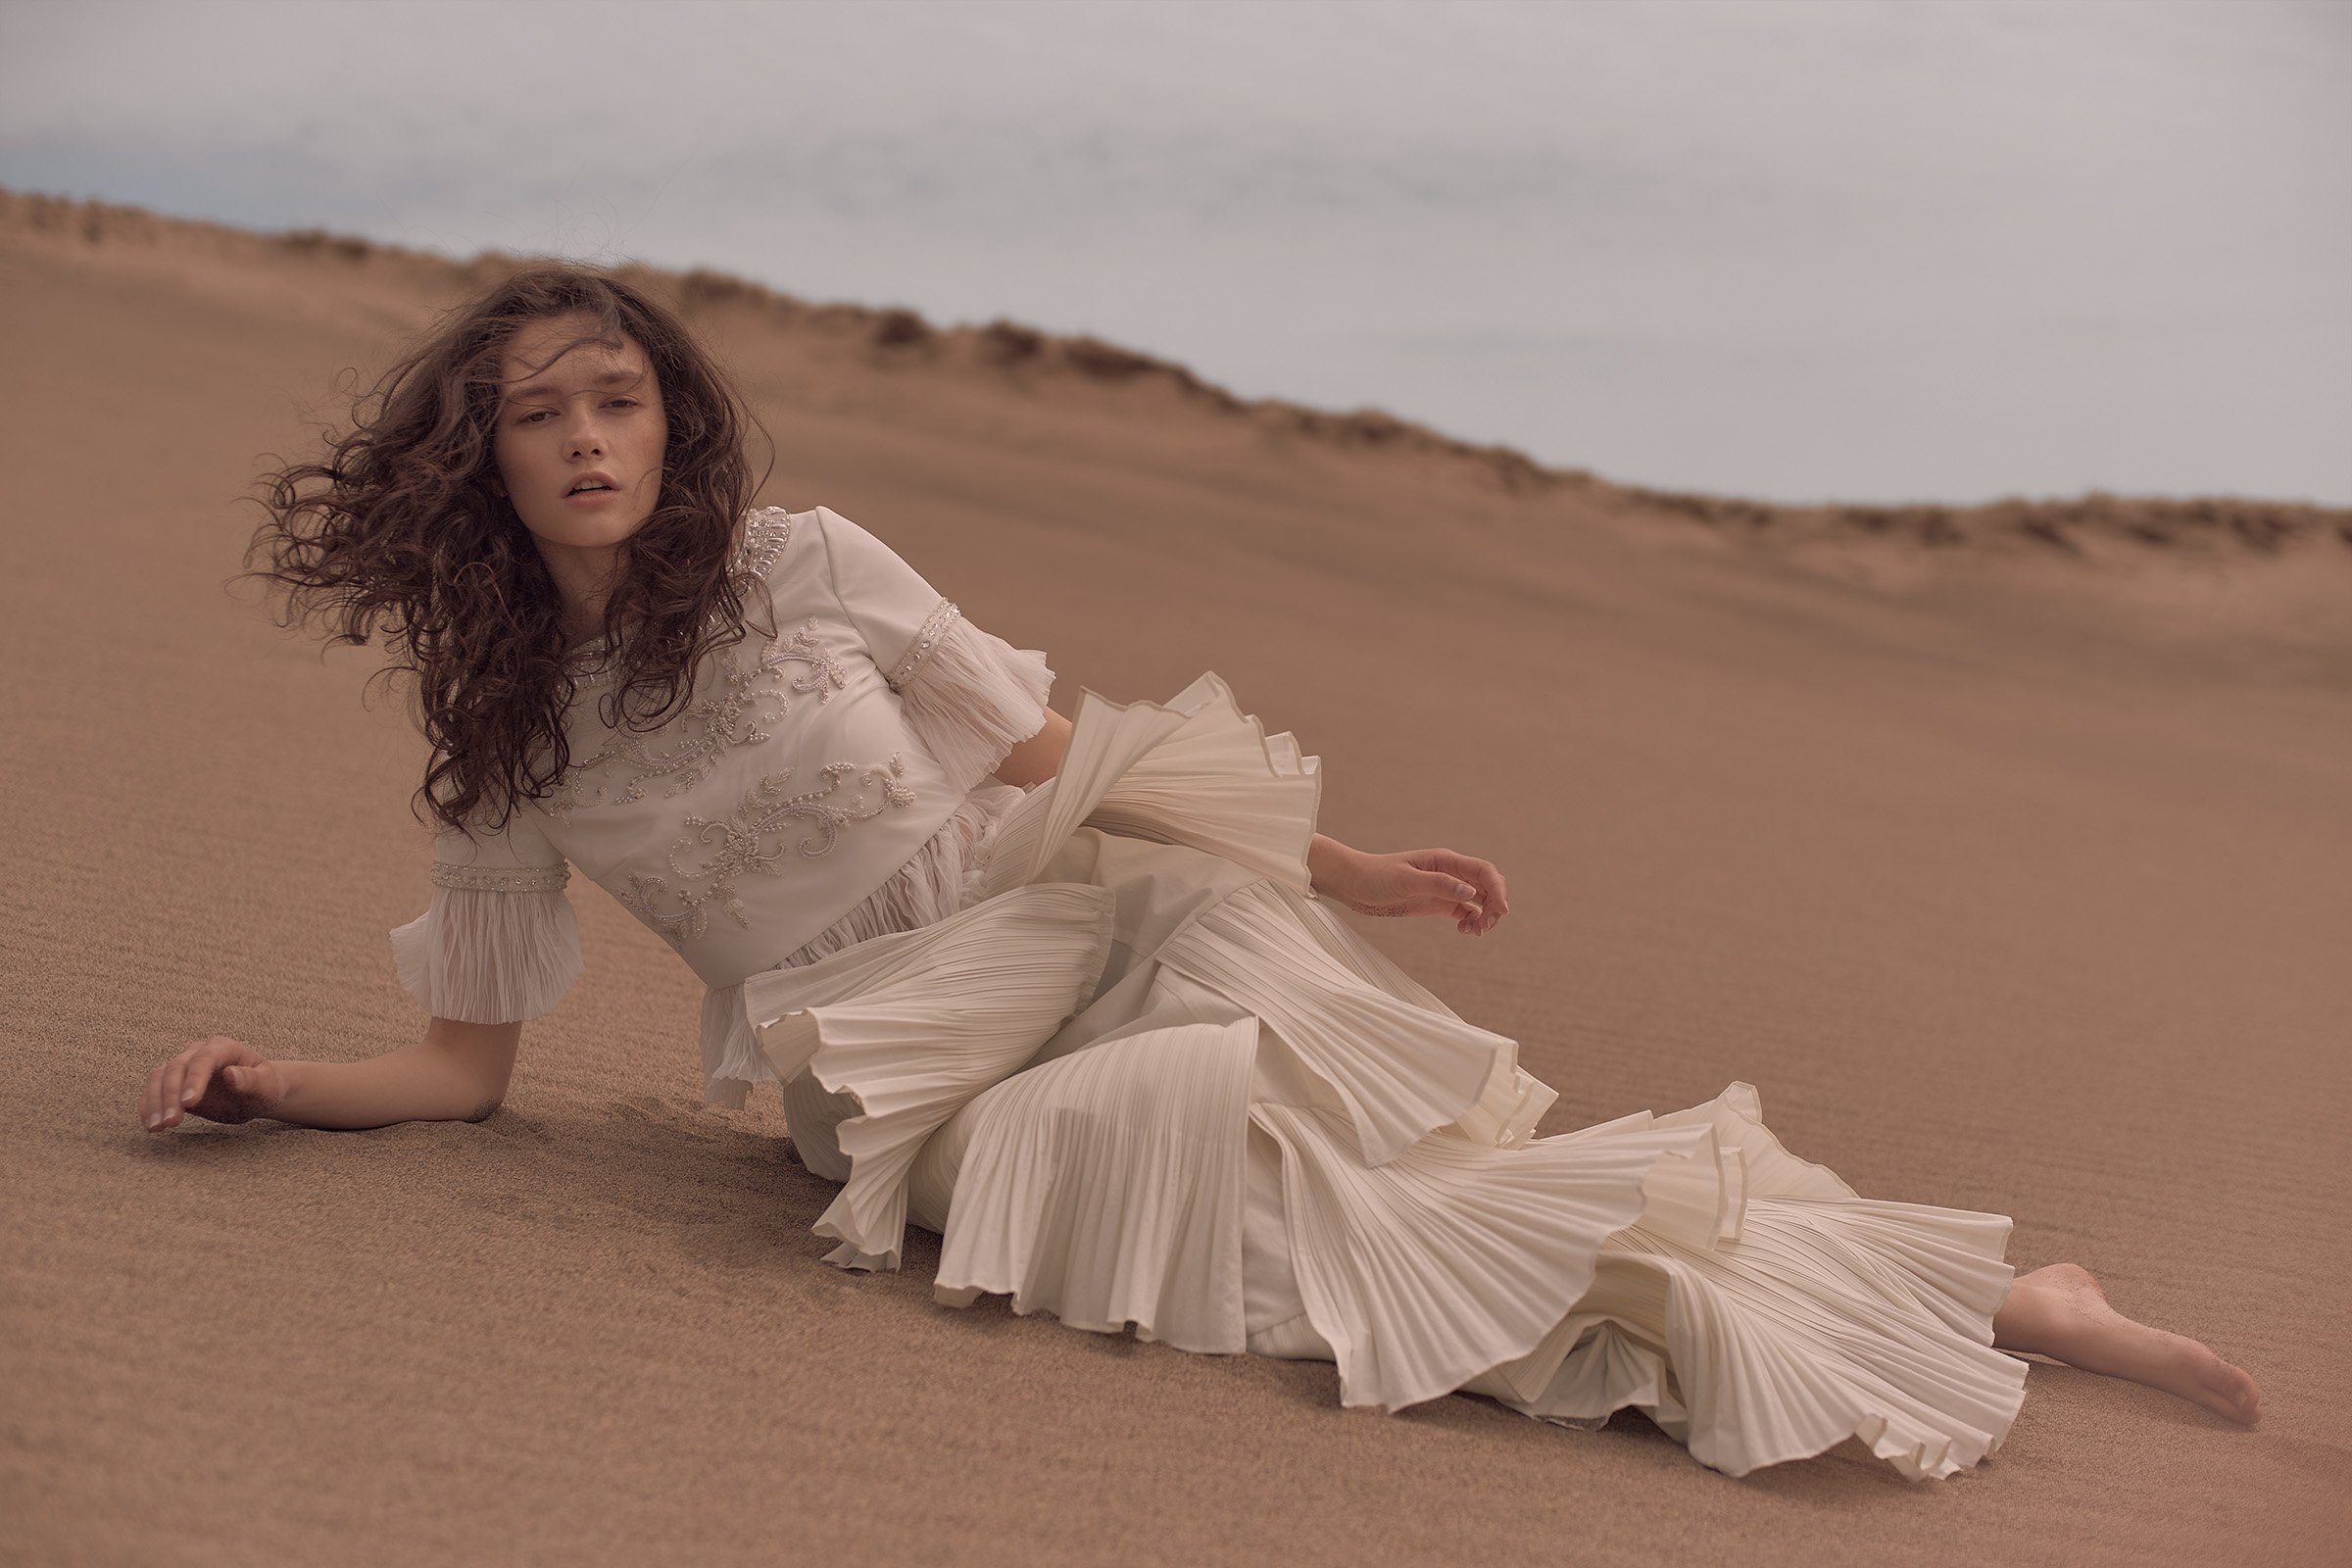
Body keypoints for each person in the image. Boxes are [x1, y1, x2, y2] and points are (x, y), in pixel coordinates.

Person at [138, 266, 2259, 1479]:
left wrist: (1346, 865)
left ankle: (1993, 1294)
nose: (592, 438)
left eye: (620, 398)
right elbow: (465, 1072)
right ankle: (1906, 1307)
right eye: (540, 415)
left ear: (671, 423)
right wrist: (272, 1086)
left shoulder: (805, 565)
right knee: (1303, 1267)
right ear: (479, 461)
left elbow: (1055, 756)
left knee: (1431, 1180)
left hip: (1091, 927)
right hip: (907, 1088)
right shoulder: (511, 737)